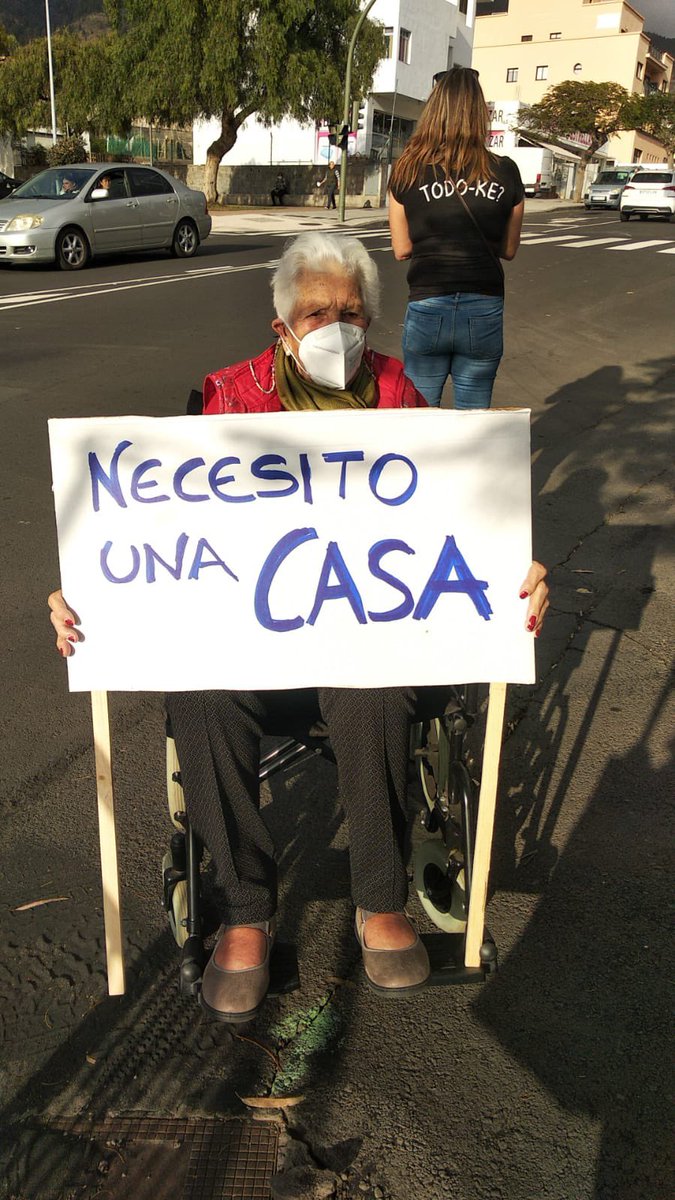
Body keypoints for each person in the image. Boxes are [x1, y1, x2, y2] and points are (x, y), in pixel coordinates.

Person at [48, 233, 549, 1024]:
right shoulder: (224, 398)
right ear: (282, 324)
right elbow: (153, 540)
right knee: (205, 696)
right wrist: (88, 595)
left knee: (373, 685)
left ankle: (379, 899)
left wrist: (511, 574)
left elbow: (455, 523)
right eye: (315, 311)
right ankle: (246, 908)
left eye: (350, 311)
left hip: (363, 640)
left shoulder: (400, 398)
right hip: (249, 650)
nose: (334, 325)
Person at [388, 66, 525, 410]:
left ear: (433, 110)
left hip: (428, 303)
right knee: (474, 421)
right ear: (480, 112)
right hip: (484, 306)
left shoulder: (406, 169)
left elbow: (402, 249)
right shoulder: (506, 171)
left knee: (420, 414)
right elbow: (508, 250)